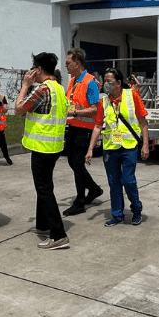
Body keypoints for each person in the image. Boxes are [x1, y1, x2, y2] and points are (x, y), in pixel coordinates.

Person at [13, 52, 71, 250]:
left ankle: (58, 234)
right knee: (44, 187)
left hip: (42, 147)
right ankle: (43, 225)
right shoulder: (58, 89)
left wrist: (25, 85)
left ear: (37, 70)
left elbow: (18, 109)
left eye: (32, 68)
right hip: (54, 145)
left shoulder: (42, 90)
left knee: (44, 189)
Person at [86, 68, 150, 226]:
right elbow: (97, 126)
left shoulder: (132, 96)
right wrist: (90, 149)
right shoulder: (104, 101)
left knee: (128, 181)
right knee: (114, 183)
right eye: (105, 82)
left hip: (129, 147)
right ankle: (117, 215)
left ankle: (136, 210)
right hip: (111, 148)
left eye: (109, 82)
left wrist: (146, 145)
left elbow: (143, 123)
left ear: (119, 83)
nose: (106, 85)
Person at [62, 48, 105, 216]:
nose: (66, 66)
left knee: (77, 163)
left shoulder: (90, 83)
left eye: (68, 63)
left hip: (84, 129)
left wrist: (74, 113)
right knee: (73, 163)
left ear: (77, 63)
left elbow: (94, 110)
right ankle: (93, 189)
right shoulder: (73, 81)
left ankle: (80, 201)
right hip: (73, 126)